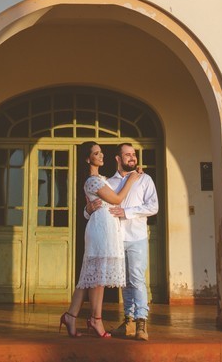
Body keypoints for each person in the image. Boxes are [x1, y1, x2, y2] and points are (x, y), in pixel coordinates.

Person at [59, 142, 141, 338]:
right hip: (100, 230)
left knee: (90, 276)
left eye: (101, 152)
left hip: (107, 227)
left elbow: (99, 205)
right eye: (96, 153)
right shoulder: (93, 181)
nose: (101, 155)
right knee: (97, 275)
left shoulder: (101, 179)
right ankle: (95, 320)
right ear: (89, 159)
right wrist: (131, 179)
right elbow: (116, 199)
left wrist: (89, 209)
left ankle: (71, 316)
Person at [85, 142, 158, 341]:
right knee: (124, 283)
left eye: (133, 154)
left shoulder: (144, 179)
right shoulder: (109, 182)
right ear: (118, 159)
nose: (132, 158)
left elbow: (153, 206)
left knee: (137, 279)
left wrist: (127, 212)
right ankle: (129, 322)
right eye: (127, 155)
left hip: (136, 237)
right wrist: (87, 210)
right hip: (115, 239)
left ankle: (142, 323)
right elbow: (96, 205)